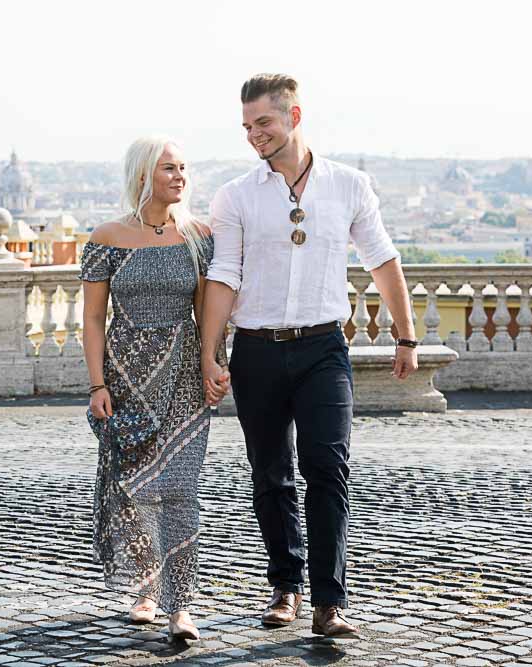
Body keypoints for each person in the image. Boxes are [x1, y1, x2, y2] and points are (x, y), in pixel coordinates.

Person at [199, 73, 418, 638]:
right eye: (247, 126)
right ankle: (286, 587)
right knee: (270, 474)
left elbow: (381, 259)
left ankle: (330, 601)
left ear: (294, 117)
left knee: (327, 465)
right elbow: (223, 275)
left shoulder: (350, 185)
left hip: (324, 347)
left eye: (263, 123)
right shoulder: (235, 196)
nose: (254, 135)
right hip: (256, 351)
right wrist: (209, 353)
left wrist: (406, 335)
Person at [79, 136, 222, 642]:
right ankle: (146, 588)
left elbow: (208, 313)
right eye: (168, 168)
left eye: (183, 167)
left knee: (181, 488)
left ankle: (181, 605)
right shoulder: (107, 237)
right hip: (126, 376)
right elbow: (94, 319)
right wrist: (97, 383)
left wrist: (212, 364)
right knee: (135, 487)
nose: (180, 176)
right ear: (143, 175)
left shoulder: (198, 236)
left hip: (183, 374)